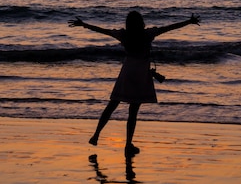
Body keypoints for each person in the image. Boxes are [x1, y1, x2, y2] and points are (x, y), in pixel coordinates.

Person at [68, 11, 200, 157]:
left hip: (127, 71)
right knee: (133, 111)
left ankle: (96, 135)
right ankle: (128, 144)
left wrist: (84, 25)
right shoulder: (148, 34)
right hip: (141, 73)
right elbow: (168, 28)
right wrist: (188, 22)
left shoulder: (123, 35)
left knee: (113, 104)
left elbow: (103, 31)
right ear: (141, 22)